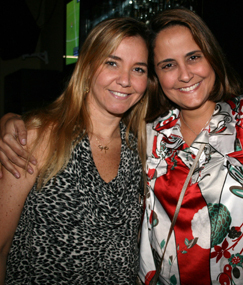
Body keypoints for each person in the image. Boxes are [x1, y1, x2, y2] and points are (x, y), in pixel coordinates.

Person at [0, 8, 243, 285]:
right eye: (166, 64)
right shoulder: (148, 136)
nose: (184, 74)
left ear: (211, 57)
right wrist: (11, 122)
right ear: (154, 78)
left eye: (193, 57)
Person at [0, 17, 150, 284]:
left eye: (138, 69)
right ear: (88, 66)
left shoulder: (141, 147)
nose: (125, 80)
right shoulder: (40, 138)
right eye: (112, 63)